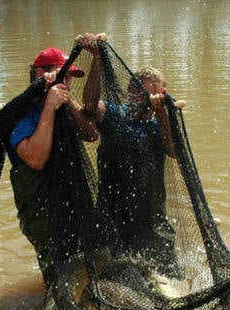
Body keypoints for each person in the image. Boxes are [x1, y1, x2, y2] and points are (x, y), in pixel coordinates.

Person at [78, 33, 180, 277]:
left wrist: (162, 114)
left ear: (160, 93)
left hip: (151, 215)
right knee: (113, 272)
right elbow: (91, 106)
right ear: (128, 89)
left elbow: (173, 151)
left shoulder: (160, 121)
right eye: (135, 91)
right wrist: (97, 60)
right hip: (112, 212)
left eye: (146, 94)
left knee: (168, 276)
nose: (138, 98)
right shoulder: (114, 113)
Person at [8, 46, 99, 286]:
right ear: (42, 74)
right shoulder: (19, 113)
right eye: (65, 74)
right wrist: (49, 106)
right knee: (59, 279)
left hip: (72, 206)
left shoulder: (65, 104)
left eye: (70, 76)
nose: (69, 81)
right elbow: (35, 159)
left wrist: (65, 102)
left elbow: (91, 134)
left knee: (84, 274)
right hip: (43, 217)